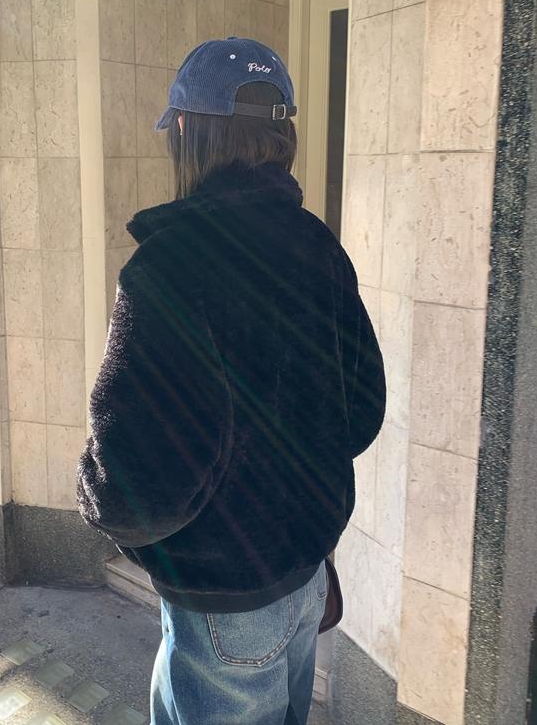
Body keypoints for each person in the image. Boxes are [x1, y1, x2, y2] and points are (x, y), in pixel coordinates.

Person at [76, 36, 386, 725]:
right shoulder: (318, 244)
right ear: (282, 135)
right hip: (306, 572)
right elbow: (363, 412)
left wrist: (94, 490)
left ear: (187, 129)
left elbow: (139, 488)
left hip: (225, 597)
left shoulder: (168, 268)